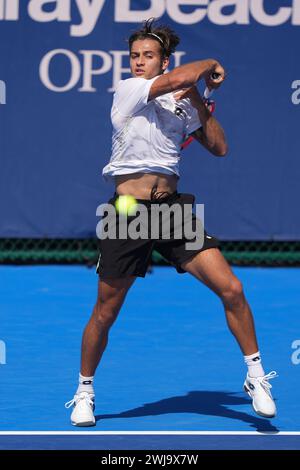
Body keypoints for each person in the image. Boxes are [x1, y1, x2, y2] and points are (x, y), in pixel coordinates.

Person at [65, 19, 277, 426]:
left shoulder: (181, 100)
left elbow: (219, 147)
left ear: (163, 59)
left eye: (147, 56)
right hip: (128, 212)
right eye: (135, 56)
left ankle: (255, 376)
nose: (139, 62)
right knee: (107, 310)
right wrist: (210, 62)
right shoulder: (129, 90)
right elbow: (177, 78)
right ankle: (83, 391)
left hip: (173, 210)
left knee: (231, 288)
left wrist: (197, 100)